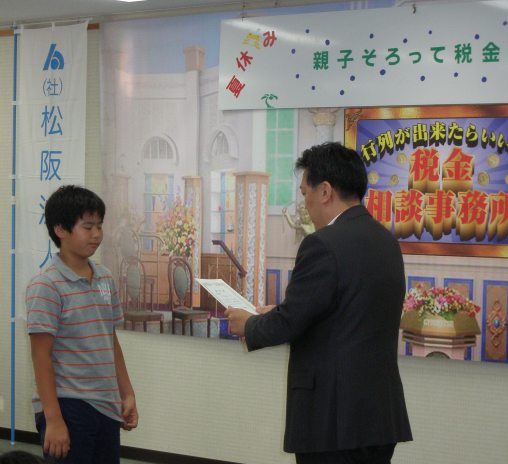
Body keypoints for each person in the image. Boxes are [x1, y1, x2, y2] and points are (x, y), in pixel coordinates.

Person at [226, 142, 412, 463]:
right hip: (379, 417)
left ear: (325, 191)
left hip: (332, 420)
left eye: (305, 193)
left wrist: (250, 324)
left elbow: (291, 321)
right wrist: (281, 311)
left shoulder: (322, 244)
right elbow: (344, 311)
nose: (305, 203)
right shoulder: (386, 242)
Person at [26, 185, 138, 464]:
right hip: (68, 406)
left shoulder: (105, 278)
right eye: (87, 227)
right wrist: (54, 419)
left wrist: (127, 393)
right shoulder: (46, 285)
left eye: (99, 226)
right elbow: (40, 356)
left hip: (106, 406)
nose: (96, 234)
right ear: (60, 229)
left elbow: (110, 341)